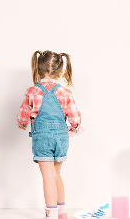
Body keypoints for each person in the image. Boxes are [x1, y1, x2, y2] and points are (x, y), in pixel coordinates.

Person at [17, 51, 82, 219]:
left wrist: (22, 124)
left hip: (42, 139)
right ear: (60, 73)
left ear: (38, 70)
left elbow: (22, 117)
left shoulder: (32, 91)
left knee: (48, 177)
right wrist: (74, 129)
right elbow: (75, 118)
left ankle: (51, 214)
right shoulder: (65, 92)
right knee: (56, 175)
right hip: (61, 138)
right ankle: (62, 213)